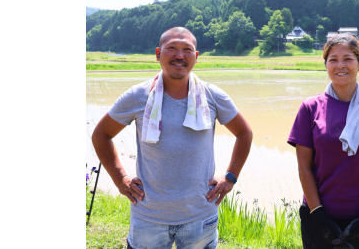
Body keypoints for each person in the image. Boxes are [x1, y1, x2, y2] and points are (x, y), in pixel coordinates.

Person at [92, 27, 253, 249]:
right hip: (149, 216)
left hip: (200, 216)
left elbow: (244, 133)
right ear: (158, 53)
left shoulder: (212, 96)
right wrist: (120, 179)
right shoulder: (138, 96)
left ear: (196, 57)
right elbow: (101, 134)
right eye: (172, 48)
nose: (179, 55)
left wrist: (230, 178)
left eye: (187, 50)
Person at [287, 34, 359, 249]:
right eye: (333, 59)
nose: (340, 65)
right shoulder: (310, 108)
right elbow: (304, 167)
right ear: (326, 65)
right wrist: (318, 216)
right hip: (318, 217)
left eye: (348, 58)